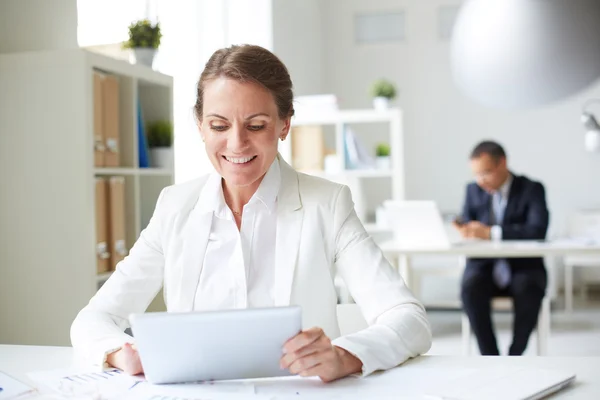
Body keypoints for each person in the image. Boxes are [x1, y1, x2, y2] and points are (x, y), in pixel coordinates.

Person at [71, 44, 431, 382]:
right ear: (200, 125)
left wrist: (344, 356)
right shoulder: (175, 207)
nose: (236, 143)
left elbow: (409, 319)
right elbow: (94, 319)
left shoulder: (328, 204)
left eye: (256, 125)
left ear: (284, 124)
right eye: (219, 125)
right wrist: (120, 353)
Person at [455, 140, 549, 356]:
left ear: (503, 164)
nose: (481, 181)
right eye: (477, 174)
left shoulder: (532, 189)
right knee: (470, 288)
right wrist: (467, 231)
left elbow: (537, 230)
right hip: (484, 267)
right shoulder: (472, 190)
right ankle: (491, 357)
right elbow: (469, 224)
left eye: (486, 173)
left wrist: (490, 232)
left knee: (529, 288)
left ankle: (516, 355)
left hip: (524, 268)